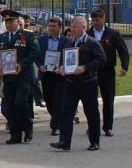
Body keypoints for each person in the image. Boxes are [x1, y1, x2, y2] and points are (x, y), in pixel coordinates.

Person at [51, 16, 107, 151]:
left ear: (84, 27)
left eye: (75, 27)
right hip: (70, 83)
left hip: (88, 83)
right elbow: (63, 60)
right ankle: (64, 141)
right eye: (71, 26)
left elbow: (102, 59)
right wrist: (62, 68)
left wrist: (85, 67)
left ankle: (94, 141)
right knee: (66, 111)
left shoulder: (92, 43)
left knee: (91, 113)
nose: (72, 29)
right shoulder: (69, 43)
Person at [0, 10, 39, 145]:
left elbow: (35, 52)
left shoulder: (27, 35)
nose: (8, 24)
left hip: (23, 77)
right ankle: (16, 134)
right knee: (7, 108)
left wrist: (22, 64)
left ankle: (27, 128)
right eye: (6, 22)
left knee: (20, 103)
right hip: (8, 78)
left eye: (11, 21)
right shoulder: (2, 37)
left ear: (17, 22)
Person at [87, 8, 129, 136]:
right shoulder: (87, 33)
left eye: (97, 20)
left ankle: (107, 126)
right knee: (90, 100)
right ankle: (92, 126)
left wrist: (124, 67)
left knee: (108, 100)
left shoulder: (113, 34)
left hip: (107, 71)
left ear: (103, 19)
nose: (95, 22)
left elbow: (123, 51)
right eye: (93, 20)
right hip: (91, 71)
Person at [36, 16, 72, 136]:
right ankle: (58, 120)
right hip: (46, 74)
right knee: (49, 100)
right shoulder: (41, 39)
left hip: (60, 75)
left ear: (59, 28)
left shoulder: (66, 41)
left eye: (53, 26)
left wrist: (61, 66)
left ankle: (55, 125)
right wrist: (40, 65)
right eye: (49, 26)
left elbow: (68, 56)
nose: (51, 28)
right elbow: (36, 55)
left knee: (57, 100)